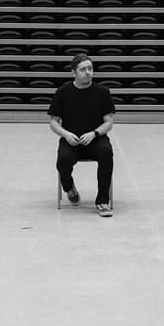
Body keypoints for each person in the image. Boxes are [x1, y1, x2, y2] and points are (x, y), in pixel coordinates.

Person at [48, 53, 116, 217]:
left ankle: (102, 201)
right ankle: (69, 187)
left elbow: (109, 122)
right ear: (74, 73)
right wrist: (65, 134)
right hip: (71, 140)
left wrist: (94, 133)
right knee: (63, 160)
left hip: (94, 139)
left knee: (107, 153)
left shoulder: (102, 92)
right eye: (83, 69)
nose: (88, 72)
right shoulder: (63, 92)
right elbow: (53, 122)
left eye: (90, 69)